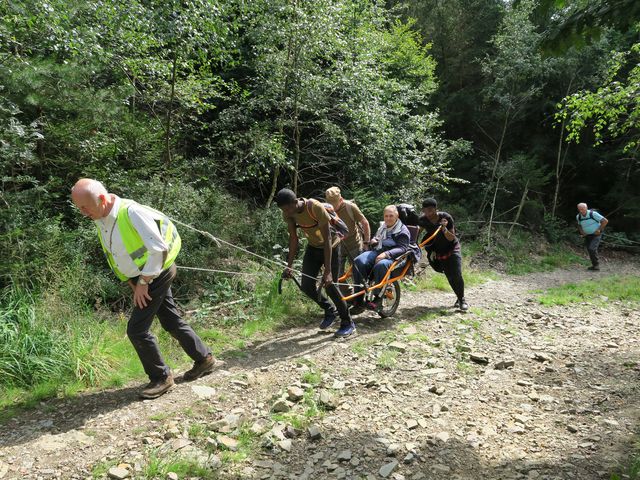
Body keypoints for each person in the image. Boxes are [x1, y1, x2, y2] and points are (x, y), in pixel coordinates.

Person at [71, 179, 221, 399]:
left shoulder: (132, 213)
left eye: (85, 207)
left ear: (102, 199)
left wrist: (143, 283)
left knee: (137, 329)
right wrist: (131, 281)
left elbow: (158, 250)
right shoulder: (100, 215)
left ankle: (162, 377)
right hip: (141, 277)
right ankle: (204, 359)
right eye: (79, 208)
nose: (83, 213)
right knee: (171, 320)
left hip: (156, 273)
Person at [275, 188, 356, 338]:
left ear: (295, 202)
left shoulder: (314, 207)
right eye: (283, 210)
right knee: (306, 285)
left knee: (330, 285)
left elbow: (328, 239)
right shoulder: (289, 214)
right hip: (313, 248)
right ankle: (329, 310)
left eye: (287, 209)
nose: (285, 213)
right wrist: (289, 266)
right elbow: (294, 239)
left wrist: (328, 271)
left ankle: (348, 322)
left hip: (331, 247)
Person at [350, 205, 410, 314]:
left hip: (395, 255)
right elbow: (378, 237)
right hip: (379, 250)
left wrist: (386, 254)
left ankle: (378, 298)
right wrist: (374, 240)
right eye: (386, 216)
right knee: (358, 261)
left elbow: (403, 248)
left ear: (397, 215)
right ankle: (358, 299)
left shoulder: (402, 230)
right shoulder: (383, 226)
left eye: (391, 215)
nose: (388, 218)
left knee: (381, 265)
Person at [418, 198, 468, 311]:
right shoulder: (423, 220)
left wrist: (444, 228)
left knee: (456, 273)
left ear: (436, 209)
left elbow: (451, 238)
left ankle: (462, 300)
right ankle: (459, 297)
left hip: (452, 248)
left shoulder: (446, 217)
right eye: (425, 211)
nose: (428, 213)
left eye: (430, 210)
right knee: (449, 275)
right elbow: (417, 232)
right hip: (439, 251)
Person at [325, 187, 371, 293]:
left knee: (357, 273)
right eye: (329, 203)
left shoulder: (350, 207)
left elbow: (365, 223)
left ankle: (359, 298)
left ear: (340, 200)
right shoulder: (325, 209)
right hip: (337, 246)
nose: (332, 206)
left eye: (334, 203)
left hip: (354, 244)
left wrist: (366, 243)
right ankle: (347, 294)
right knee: (337, 273)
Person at [576, 203, 608, 271]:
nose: (581, 211)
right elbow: (579, 225)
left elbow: (605, 221)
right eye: (579, 209)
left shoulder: (593, 214)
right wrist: (582, 232)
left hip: (596, 234)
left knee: (592, 249)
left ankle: (596, 265)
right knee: (590, 250)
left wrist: (599, 229)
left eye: (582, 209)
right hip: (587, 235)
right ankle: (594, 266)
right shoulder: (578, 216)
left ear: (586, 208)